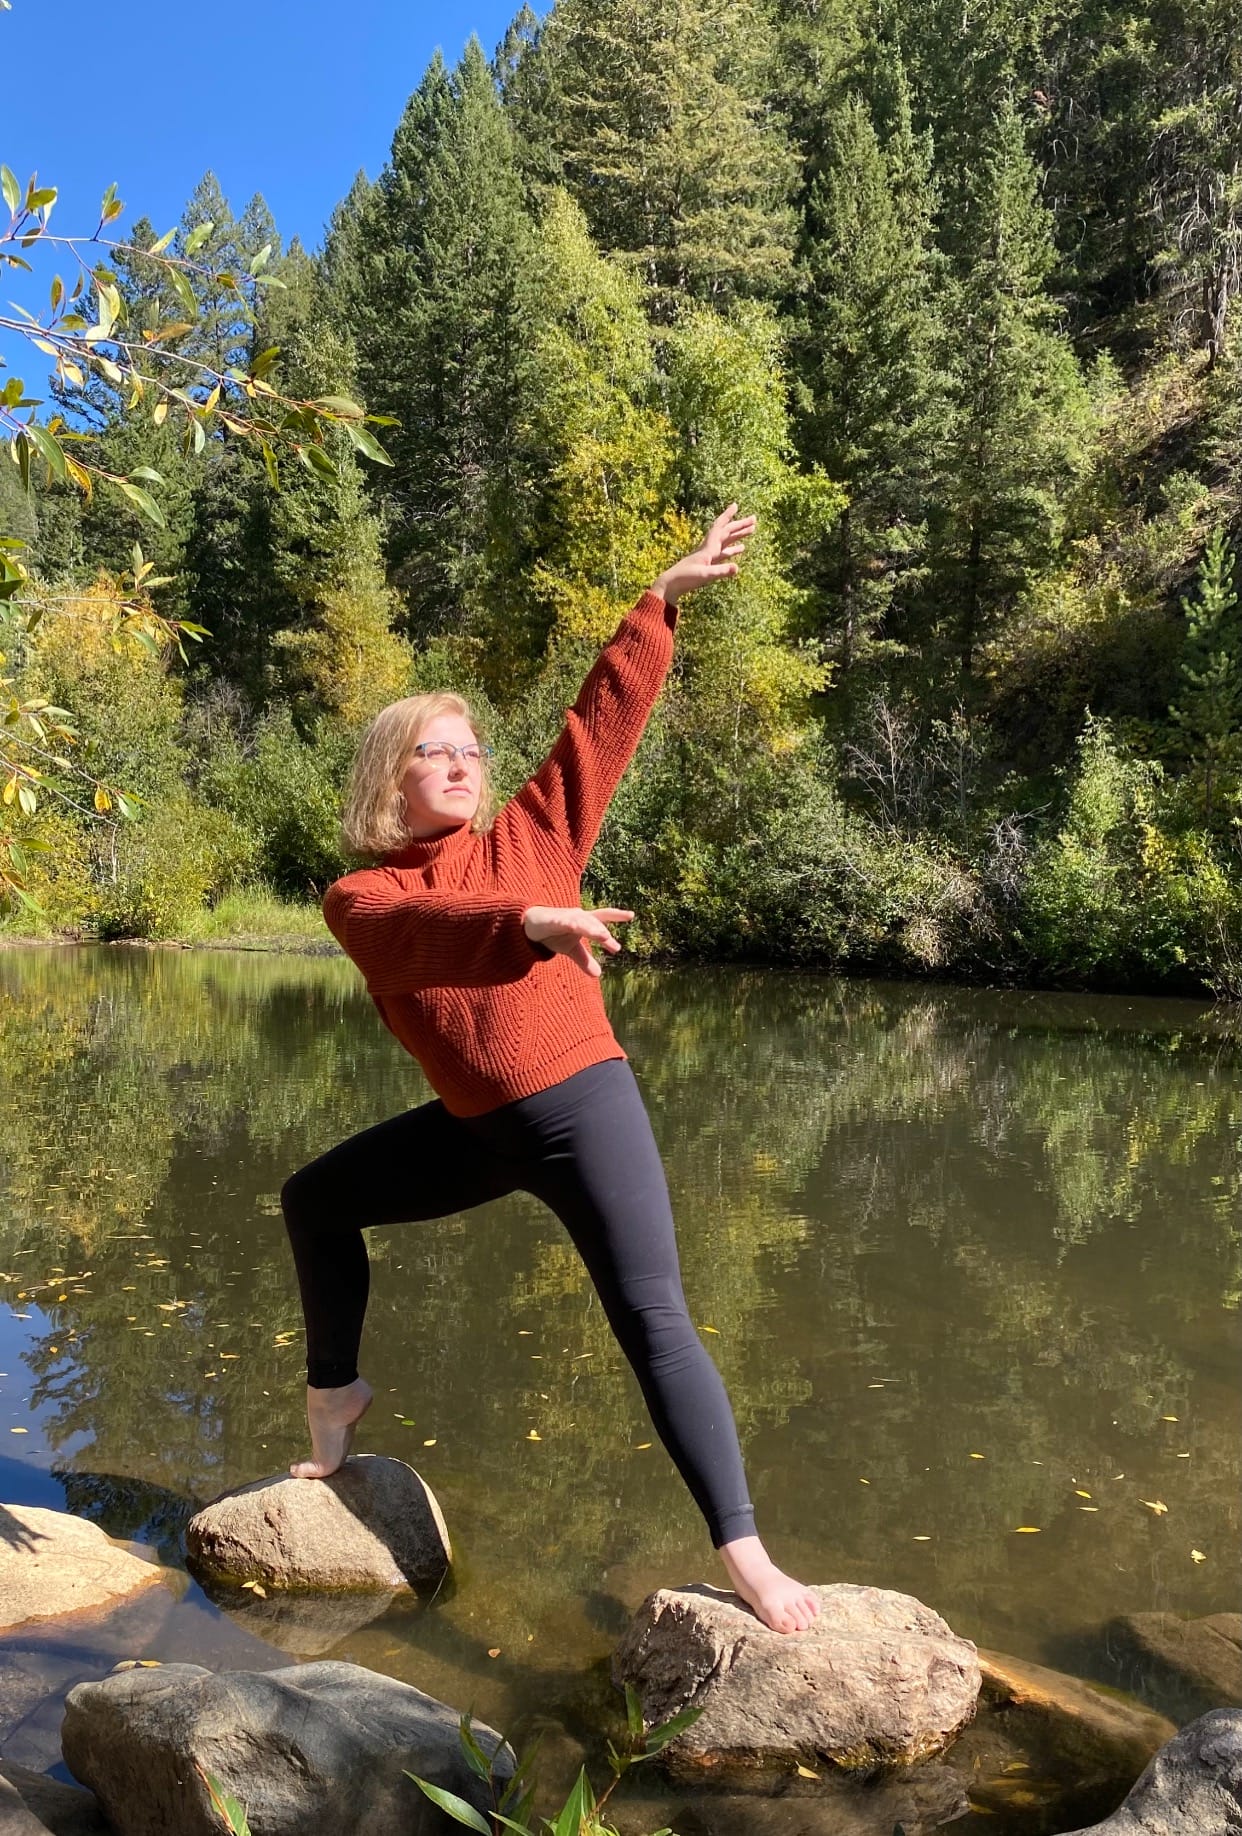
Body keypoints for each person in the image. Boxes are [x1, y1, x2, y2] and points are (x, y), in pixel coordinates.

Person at [281, 505, 820, 1636]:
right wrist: (523, 921)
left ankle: (748, 1553)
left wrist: (659, 600)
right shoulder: (361, 896)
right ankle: (336, 1404)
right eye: (437, 749)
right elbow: (424, 933)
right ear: (391, 774)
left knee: (653, 1317)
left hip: (582, 1109)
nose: (465, 763)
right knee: (314, 1199)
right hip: (477, 1126)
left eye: (473, 749)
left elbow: (601, 719)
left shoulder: (536, 830)